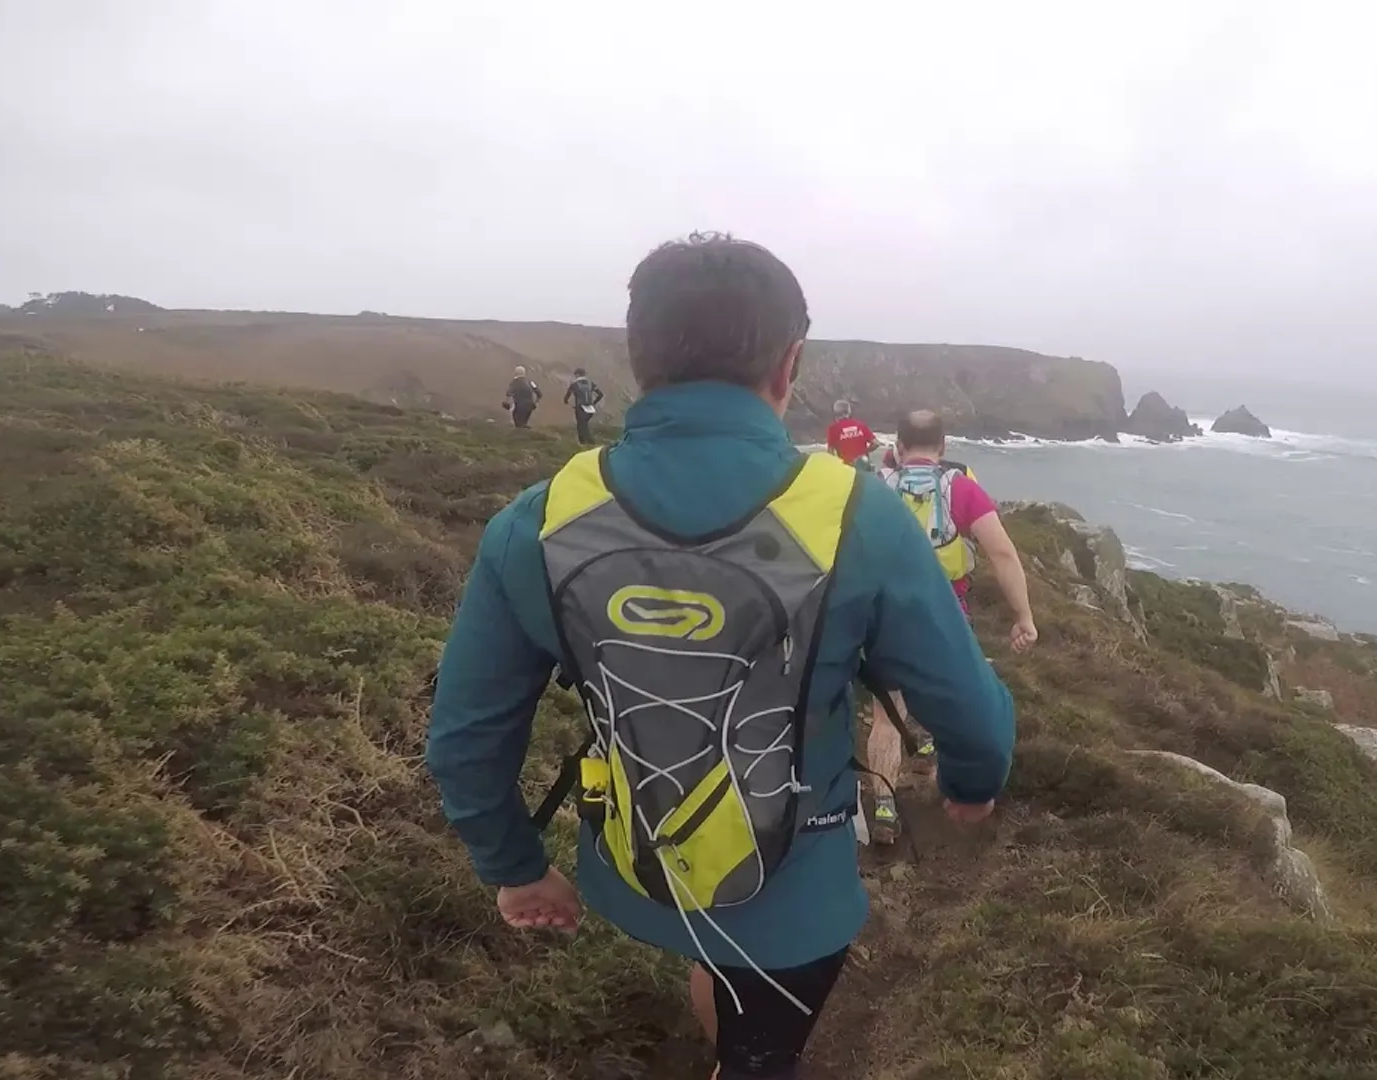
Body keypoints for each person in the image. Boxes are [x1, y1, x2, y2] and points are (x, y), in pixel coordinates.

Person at [425, 232, 1015, 1080]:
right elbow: (970, 709)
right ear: (790, 364)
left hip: (634, 865)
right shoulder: (858, 515)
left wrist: (514, 868)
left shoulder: (540, 516)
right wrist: (970, 785)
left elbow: (465, 735)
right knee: (764, 1055)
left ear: (638, 359)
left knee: (714, 967)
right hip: (795, 899)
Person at [863, 409, 1036, 846]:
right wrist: (1023, 617)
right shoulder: (961, 489)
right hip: (946, 618)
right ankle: (956, 799)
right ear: (943, 448)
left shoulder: (870, 490)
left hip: (881, 619)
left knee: (886, 717)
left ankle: (884, 805)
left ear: (897, 448)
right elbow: (1002, 554)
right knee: (954, 711)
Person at [824, 399, 877, 470]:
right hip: (864, 466)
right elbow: (876, 443)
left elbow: (830, 452)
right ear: (849, 412)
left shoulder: (833, 429)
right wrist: (864, 451)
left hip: (846, 469)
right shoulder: (861, 425)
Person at [564, 367, 604, 444]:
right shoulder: (590, 383)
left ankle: (585, 442)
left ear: (577, 374)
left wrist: (567, 402)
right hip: (590, 408)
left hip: (580, 407)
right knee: (585, 425)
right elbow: (600, 394)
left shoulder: (574, 384)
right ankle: (589, 442)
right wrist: (593, 403)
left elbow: (566, 397)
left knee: (581, 425)